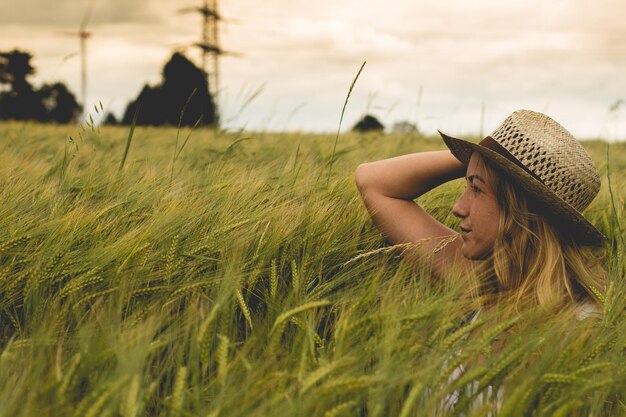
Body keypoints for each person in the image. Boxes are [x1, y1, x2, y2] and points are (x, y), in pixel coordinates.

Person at [355, 109, 606, 316]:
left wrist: (493, 162)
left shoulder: (578, 329)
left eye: (476, 188)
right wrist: (485, 157)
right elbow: (371, 180)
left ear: (521, 210)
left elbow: (374, 183)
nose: (458, 207)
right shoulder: (483, 281)